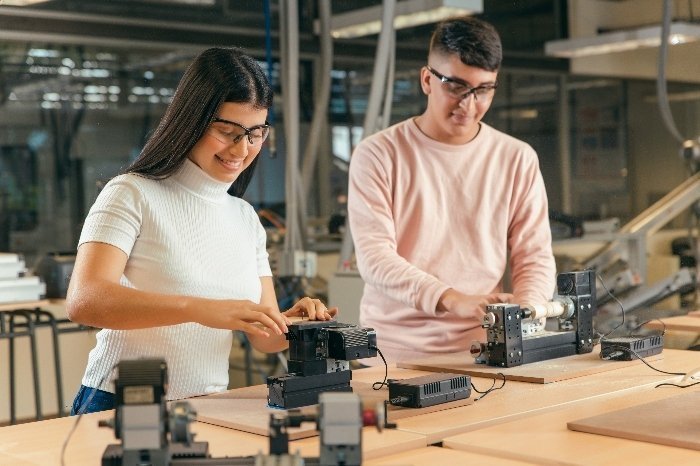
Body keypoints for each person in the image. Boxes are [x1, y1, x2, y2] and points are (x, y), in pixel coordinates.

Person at [66, 47, 336, 414]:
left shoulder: (244, 218)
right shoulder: (131, 192)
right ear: (192, 120)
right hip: (121, 401)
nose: (242, 149)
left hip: (207, 405)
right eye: (227, 131)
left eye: (256, 133)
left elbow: (265, 339)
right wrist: (199, 309)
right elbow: (85, 300)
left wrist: (293, 323)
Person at [347, 17, 556, 364]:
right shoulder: (379, 154)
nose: (468, 105)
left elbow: (533, 255)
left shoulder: (517, 158)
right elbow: (375, 259)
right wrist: (453, 298)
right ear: (427, 79)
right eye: (456, 87)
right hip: (393, 355)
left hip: (486, 352)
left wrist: (528, 309)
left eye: (483, 90)